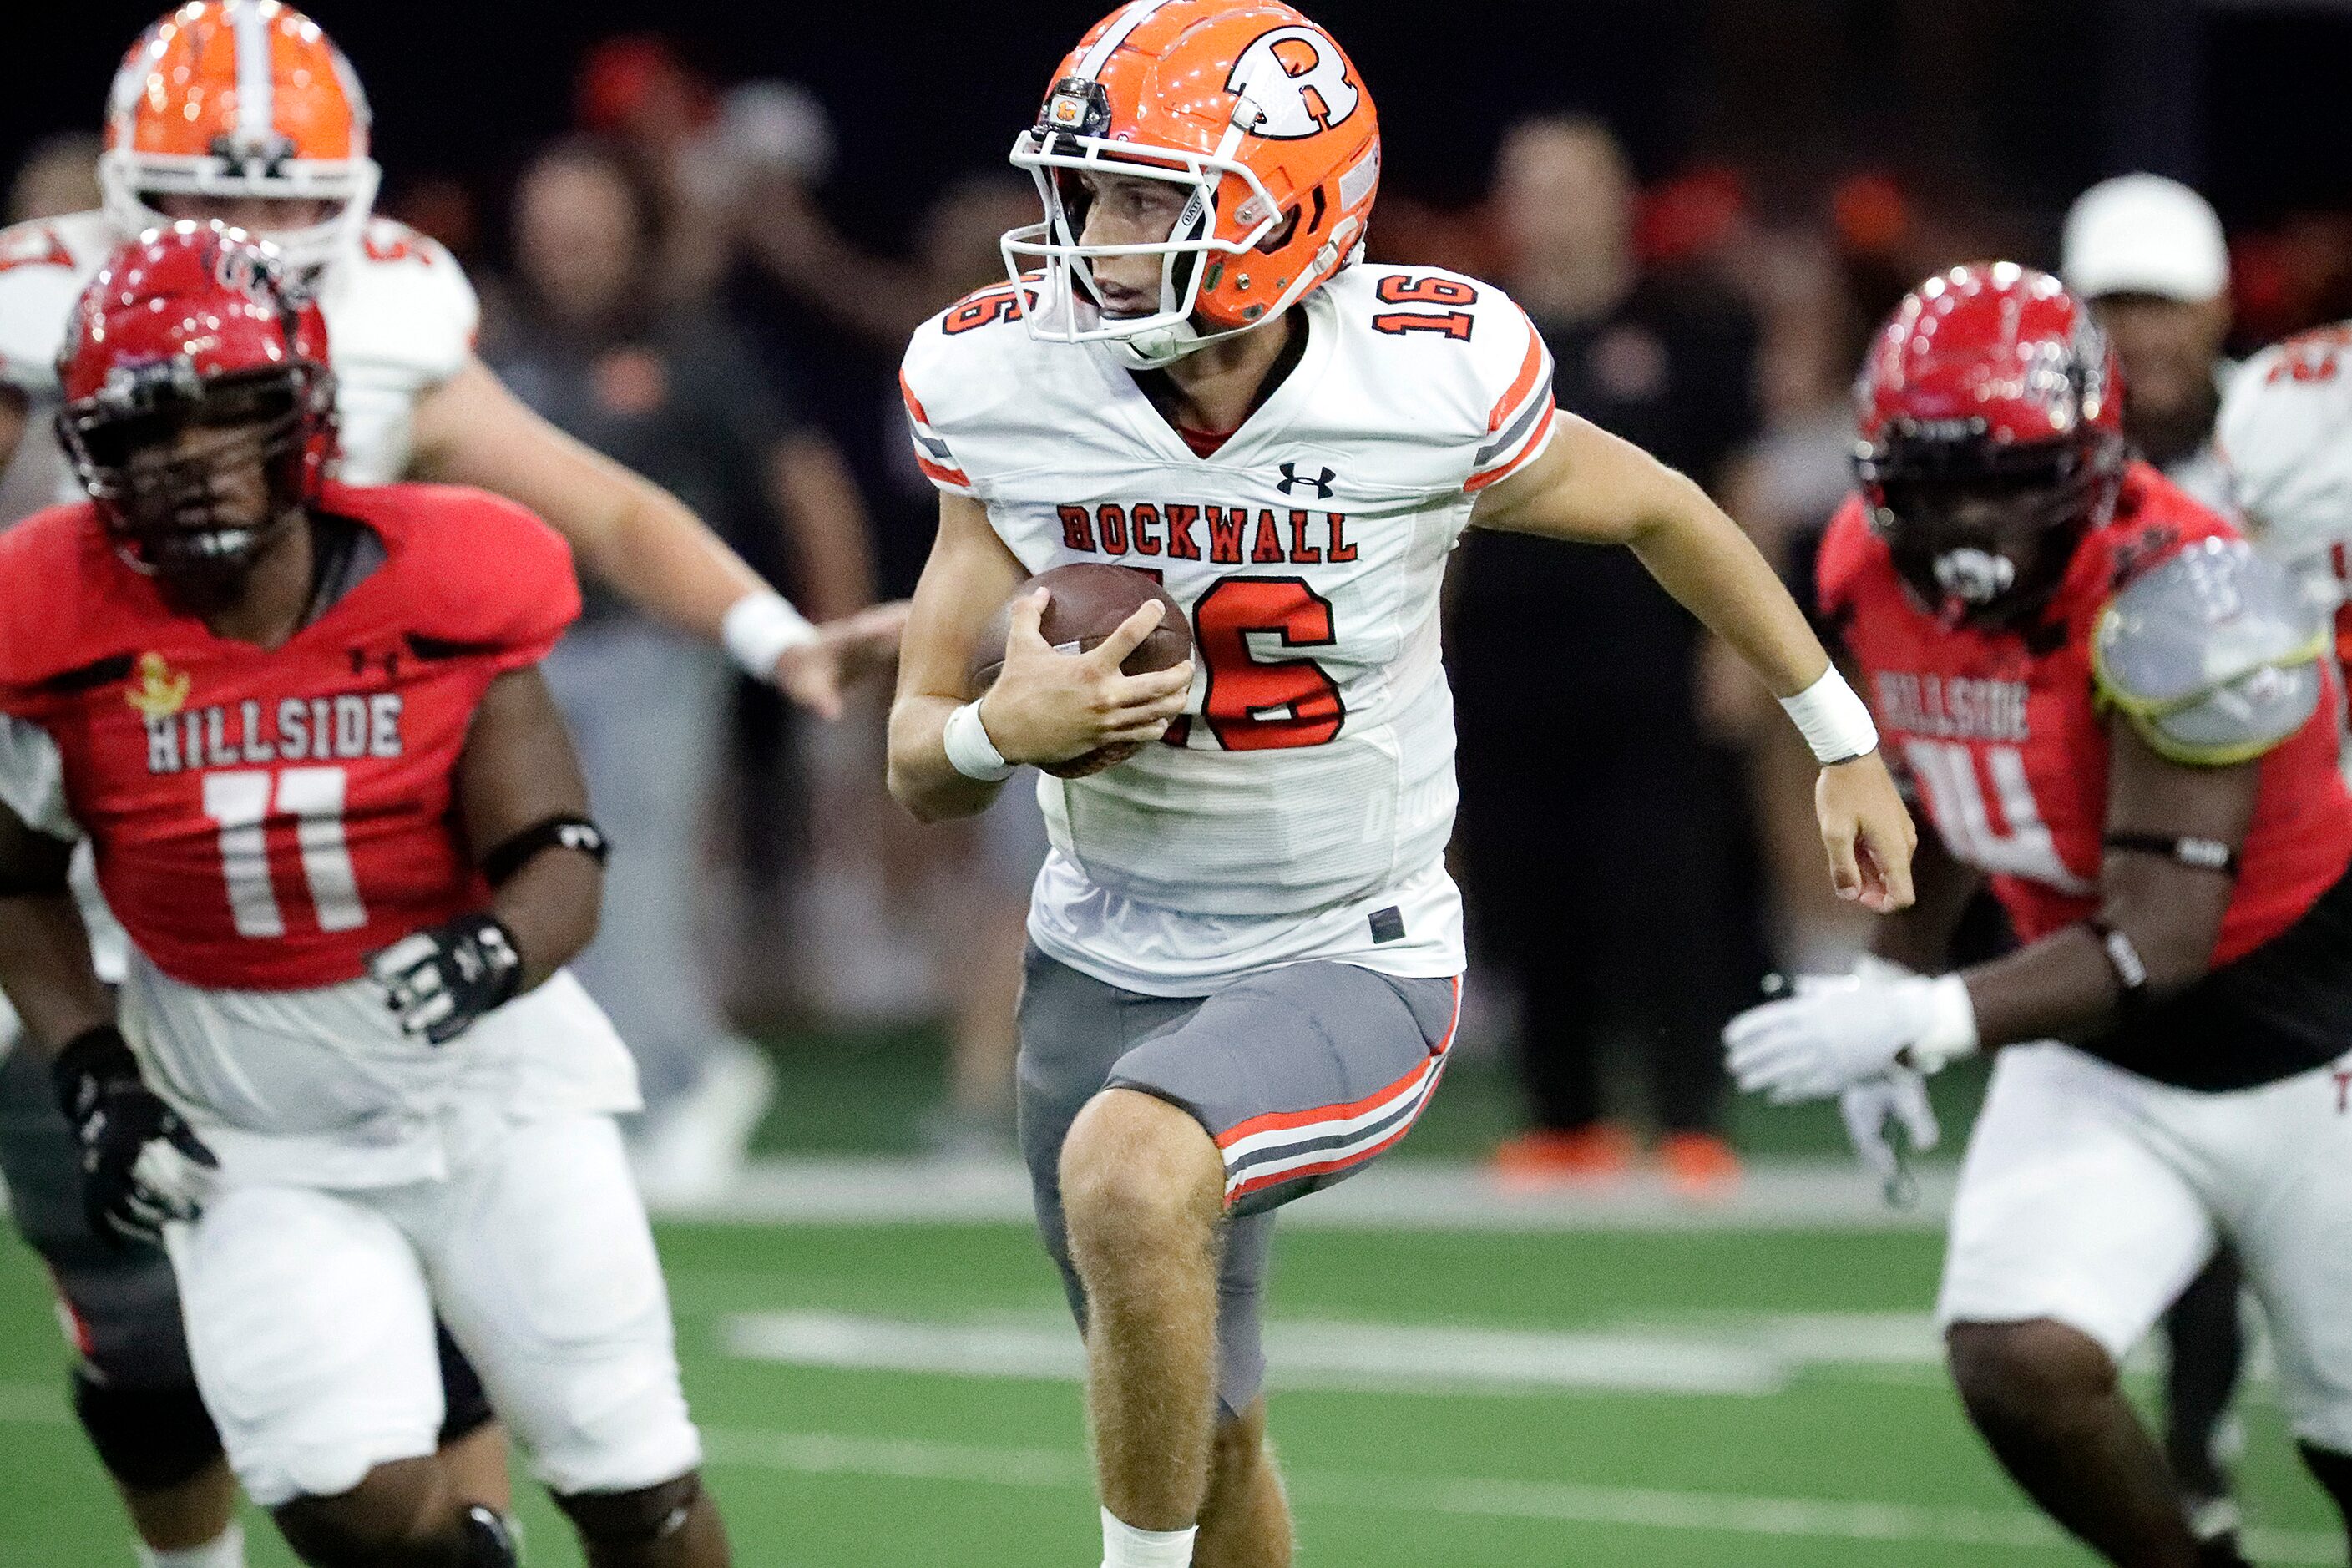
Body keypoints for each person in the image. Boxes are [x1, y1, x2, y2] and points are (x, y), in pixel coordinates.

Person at [885, 7, 1915, 1566]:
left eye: (1151, 199)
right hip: (1097, 950)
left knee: (1131, 1168)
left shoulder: (1417, 379)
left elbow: (1669, 510)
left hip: (1340, 945)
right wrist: (995, 732)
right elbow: (916, 762)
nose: (1097, 237)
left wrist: (1839, 736)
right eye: (1090, 195)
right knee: (1197, 1424)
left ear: (1282, 208)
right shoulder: (1005, 386)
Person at [0, 7, 893, 1565]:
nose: (258, 236)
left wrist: (772, 634)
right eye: (214, 197)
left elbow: (600, 512)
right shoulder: (40, 348)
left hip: (362, 811)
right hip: (92, 829)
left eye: (292, 203)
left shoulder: (406, 374)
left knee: (513, 1366)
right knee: (146, 1342)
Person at [1726, 264, 2352, 1568]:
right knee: (2018, 1352)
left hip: (2306, 1039)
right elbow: (1947, 787)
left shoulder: (2190, 592)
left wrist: (1928, 1017)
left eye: (2004, 477)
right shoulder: (1864, 560)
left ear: (2088, 460)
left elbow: (2159, 936)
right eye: (1932, 478)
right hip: (2103, 1043)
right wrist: (1889, 972)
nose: (1962, 518)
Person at [481, 135, 878, 1202]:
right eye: (552, 232)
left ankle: (677, 1077)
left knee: (637, 868)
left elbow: (804, 483)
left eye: (590, 232)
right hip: (521, 657)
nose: (568, 252)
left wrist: (824, 632)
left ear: (629, 238)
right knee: (533, 870)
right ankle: (599, 1084)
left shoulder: (692, 348)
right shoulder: (488, 344)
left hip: (653, 648)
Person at [1449, 114, 1768, 1191]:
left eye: (1573, 185)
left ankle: (1689, 1117)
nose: (1553, 209)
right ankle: (1564, 1118)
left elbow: (1741, 490)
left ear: (1619, 197)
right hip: (1503, 666)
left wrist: (1742, 646)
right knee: (1527, 888)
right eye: (1530, 187)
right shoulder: (1465, 344)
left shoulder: (1693, 328)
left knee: (1671, 894)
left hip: (1653, 665)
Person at [2063, 170, 2249, 1542]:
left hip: (2312, 843)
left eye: (2162, 301)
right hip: (2132, 852)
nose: (2142, 331)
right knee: (2184, 1151)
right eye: (2114, 302)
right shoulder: (2041, 461)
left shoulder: (2299, 441)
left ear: (2218, 306)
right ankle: (2195, 1439)